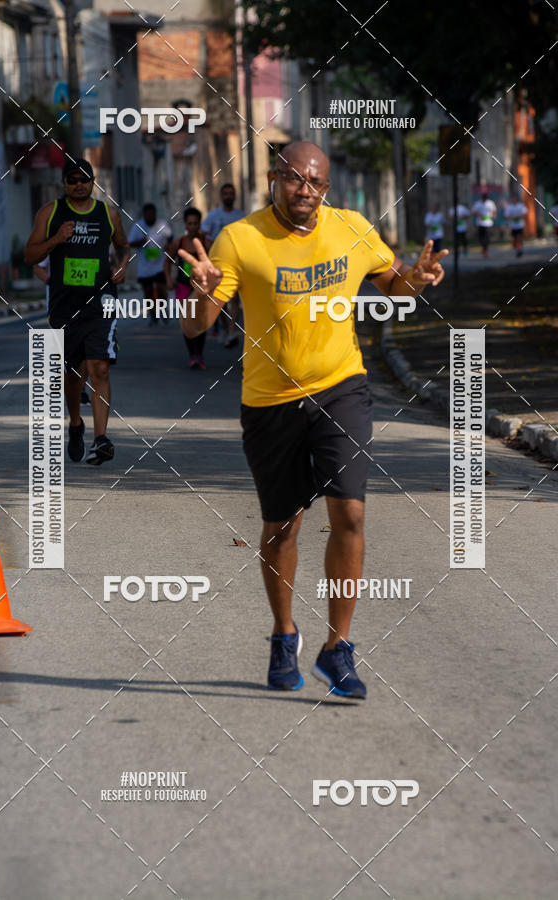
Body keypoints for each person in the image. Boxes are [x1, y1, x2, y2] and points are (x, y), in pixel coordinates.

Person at [179, 141, 447, 698]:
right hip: (270, 402)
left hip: (340, 389)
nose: (306, 189)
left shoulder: (351, 228)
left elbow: (389, 282)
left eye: (316, 182)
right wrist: (200, 295)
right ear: (276, 178)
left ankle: (337, 648)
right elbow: (195, 330)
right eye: (296, 178)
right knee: (283, 527)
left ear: (327, 188)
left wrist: (415, 280)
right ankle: (283, 634)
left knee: (349, 512)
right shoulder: (241, 238)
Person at [24, 157, 130, 465]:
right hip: (64, 307)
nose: (79, 184)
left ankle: (101, 438)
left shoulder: (108, 214)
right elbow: (30, 255)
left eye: (84, 179)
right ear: (64, 183)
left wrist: (122, 266)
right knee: (73, 373)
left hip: (101, 304)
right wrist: (57, 239)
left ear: (93, 181)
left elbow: (123, 245)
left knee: (100, 367)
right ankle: (75, 424)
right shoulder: (51, 212)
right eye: (73, 180)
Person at [33, 256, 90, 405]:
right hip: (58, 305)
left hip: (86, 301)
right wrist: (53, 283)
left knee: (85, 348)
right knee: (62, 349)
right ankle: (58, 392)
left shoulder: (92, 237)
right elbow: (37, 266)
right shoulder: (55, 239)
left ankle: (81, 388)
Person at [164, 208, 211, 369]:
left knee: (201, 322)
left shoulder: (206, 243)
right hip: (183, 287)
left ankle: (199, 354)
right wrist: (169, 279)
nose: (192, 227)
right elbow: (167, 262)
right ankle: (192, 355)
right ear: (185, 224)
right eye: (189, 223)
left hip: (201, 289)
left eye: (195, 223)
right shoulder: (179, 243)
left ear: (199, 224)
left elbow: (216, 263)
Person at [202, 184, 245, 348]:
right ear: (221, 196)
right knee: (220, 299)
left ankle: (231, 330)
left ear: (234, 196)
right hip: (217, 264)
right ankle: (223, 327)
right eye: (225, 193)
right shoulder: (213, 216)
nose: (228, 196)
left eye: (231, 193)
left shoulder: (241, 216)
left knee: (234, 298)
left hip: (235, 263)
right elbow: (205, 234)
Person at [127, 202, 173, 324]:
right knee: (148, 293)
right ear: (144, 215)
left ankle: (163, 310)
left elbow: (170, 237)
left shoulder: (162, 224)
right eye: (147, 215)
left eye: (152, 214)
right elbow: (130, 243)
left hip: (160, 265)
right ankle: (153, 315)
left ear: (155, 214)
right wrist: (140, 242)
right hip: (145, 267)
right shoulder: (138, 226)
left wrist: (168, 244)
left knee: (161, 289)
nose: (150, 217)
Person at [472, 192, 497, 257]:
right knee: (481, 237)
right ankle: (483, 248)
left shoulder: (490, 203)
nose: (484, 200)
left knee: (487, 237)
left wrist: (494, 215)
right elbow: (473, 212)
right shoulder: (478, 203)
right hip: (480, 223)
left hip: (488, 223)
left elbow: (494, 211)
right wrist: (478, 214)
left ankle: (485, 250)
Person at [504, 193, 528, 257]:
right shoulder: (509, 207)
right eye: (512, 199)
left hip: (520, 225)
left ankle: (519, 250)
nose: (513, 200)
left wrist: (519, 216)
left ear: (516, 199)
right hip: (513, 226)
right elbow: (506, 216)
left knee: (519, 237)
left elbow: (525, 214)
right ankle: (517, 247)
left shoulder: (521, 206)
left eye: (514, 199)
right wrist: (512, 217)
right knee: (515, 239)